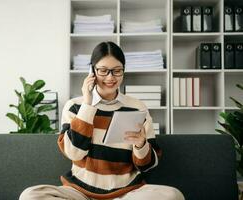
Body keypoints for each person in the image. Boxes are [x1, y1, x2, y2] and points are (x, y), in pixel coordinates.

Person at [19, 41, 185, 200]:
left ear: (123, 70)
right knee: (30, 196)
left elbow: (147, 166)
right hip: (79, 192)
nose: (110, 77)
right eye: (103, 70)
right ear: (92, 71)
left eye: (117, 70)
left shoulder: (137, 107)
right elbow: (74, 153)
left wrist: (141, 145)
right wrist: (87, 104)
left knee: (173, 196)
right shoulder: (74, 106)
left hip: (126, 192)